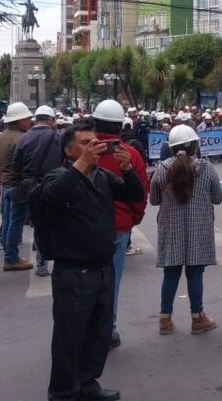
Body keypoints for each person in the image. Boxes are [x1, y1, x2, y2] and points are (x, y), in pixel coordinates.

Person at [41, 121, 144, 401]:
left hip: (102, 269)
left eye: (94, 142)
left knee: (97, 335)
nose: (92, 147)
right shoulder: (57, 177)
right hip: (74, 272)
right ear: (69, 150)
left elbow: (133, 194)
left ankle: (88, 384)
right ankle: (63, 392)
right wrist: (80, 166)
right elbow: (53, 196)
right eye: (85, 143)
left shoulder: (100, 176)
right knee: (69, 337)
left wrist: (126, 168)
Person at [150, 125, 222, 337]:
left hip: (170, 228)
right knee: (195, 272)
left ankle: (165, 319)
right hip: (198, 227)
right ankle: (198, 318)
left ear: (171, 148)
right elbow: (218, 198)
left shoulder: (162, 169)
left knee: (170, 273)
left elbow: (154, 200)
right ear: (195, 145)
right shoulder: (206, 168)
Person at [91, 100, 150, 349]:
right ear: (121, 126)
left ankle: (87, 330)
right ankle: (107, 330)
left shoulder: (84, 151)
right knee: (111, 283)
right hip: (119, 228)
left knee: (85, 282)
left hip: (87, 228)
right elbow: (140, 194)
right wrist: (131, 221)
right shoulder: (130, 155)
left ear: (94, 123)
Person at [12, 105, 62, 277]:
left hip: (30, 186)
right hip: (53, 184)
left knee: (37, 222)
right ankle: (50, 261)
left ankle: (41, 264)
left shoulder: (24, 138)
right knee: (53, 223)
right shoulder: (58, 137)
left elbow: (16, 166)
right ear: (51, 120)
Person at [0, 102, 32, 261]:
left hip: (6, 182)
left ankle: (7, 250)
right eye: (27, 118)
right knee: (16, 222)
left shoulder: (3, 136)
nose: (30, 121)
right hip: (16, 184)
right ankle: (11, 257)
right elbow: (24, 163)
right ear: (20, 120)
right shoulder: (21, 138)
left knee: (8, 220)